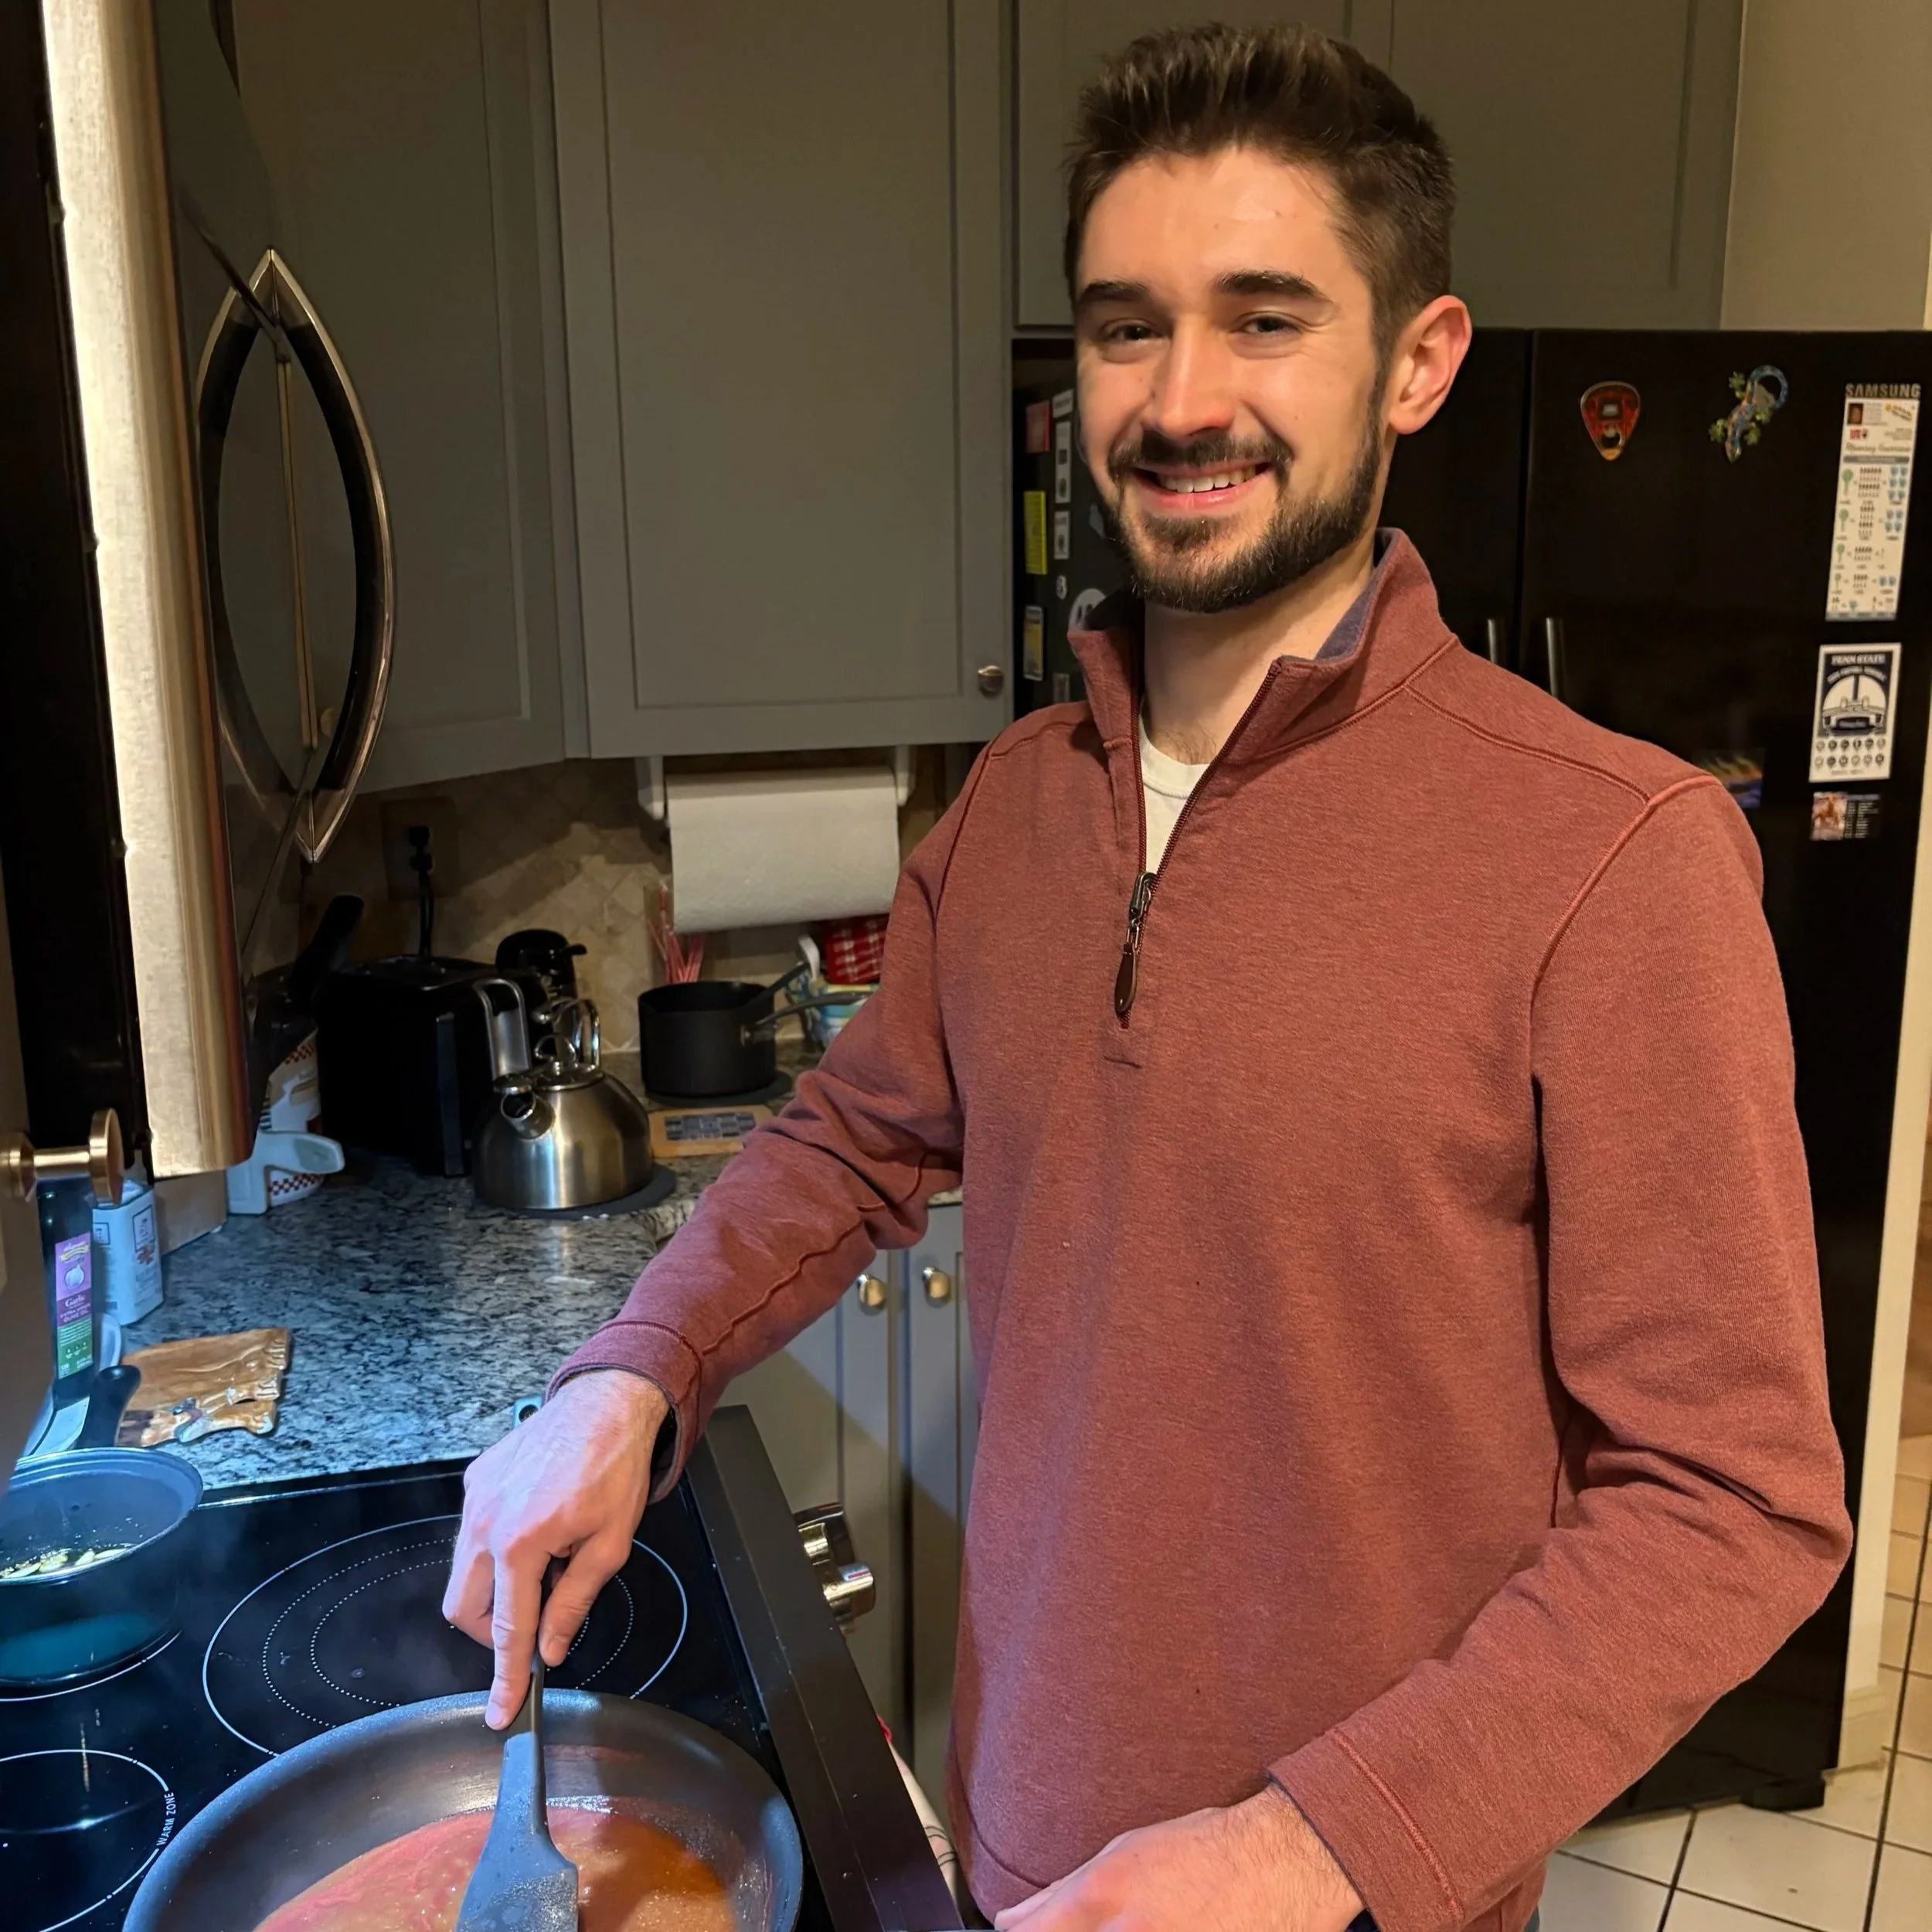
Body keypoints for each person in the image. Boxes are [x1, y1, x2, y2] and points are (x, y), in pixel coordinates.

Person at [445, 24, 1851, 1931]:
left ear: (1416, 359)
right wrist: (633, 1368)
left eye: (1263, 318)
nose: (1181, 399)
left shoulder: (1614, 856)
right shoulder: (1016, 811)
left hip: (1351, 1893)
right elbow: (851, 1140)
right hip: (1026, 1832)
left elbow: (1732, 1501)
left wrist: (1305, 1844)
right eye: (1126, 327)